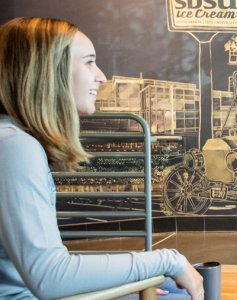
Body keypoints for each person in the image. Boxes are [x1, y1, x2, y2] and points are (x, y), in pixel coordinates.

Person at [0, 17, 204, 299]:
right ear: (49, 72)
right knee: (182, 290)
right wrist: (168, 258)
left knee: (169, 286)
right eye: (88, 62)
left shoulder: (11, 140)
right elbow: (50, 276)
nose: (102, 76)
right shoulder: (14, 147)